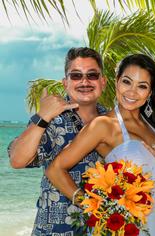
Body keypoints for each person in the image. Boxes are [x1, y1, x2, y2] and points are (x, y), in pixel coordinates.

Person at [45, 54, 155, 236]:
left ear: (150, 92)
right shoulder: (103, 125)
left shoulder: (154, 127)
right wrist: (96, 208)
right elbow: (55, 169)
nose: (132, 92)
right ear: (116, 82)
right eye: (127, 82)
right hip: (127, 228)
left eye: (142, 86)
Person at [7, 47, 107, 235]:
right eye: (76, 76)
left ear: (103, 82)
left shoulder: (112, 121)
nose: (84, 81)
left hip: (101, 230)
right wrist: (43, 115)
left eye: (92, 75)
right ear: (65, 83)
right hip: (54, 230)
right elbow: (17, 160)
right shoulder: (51, 121)